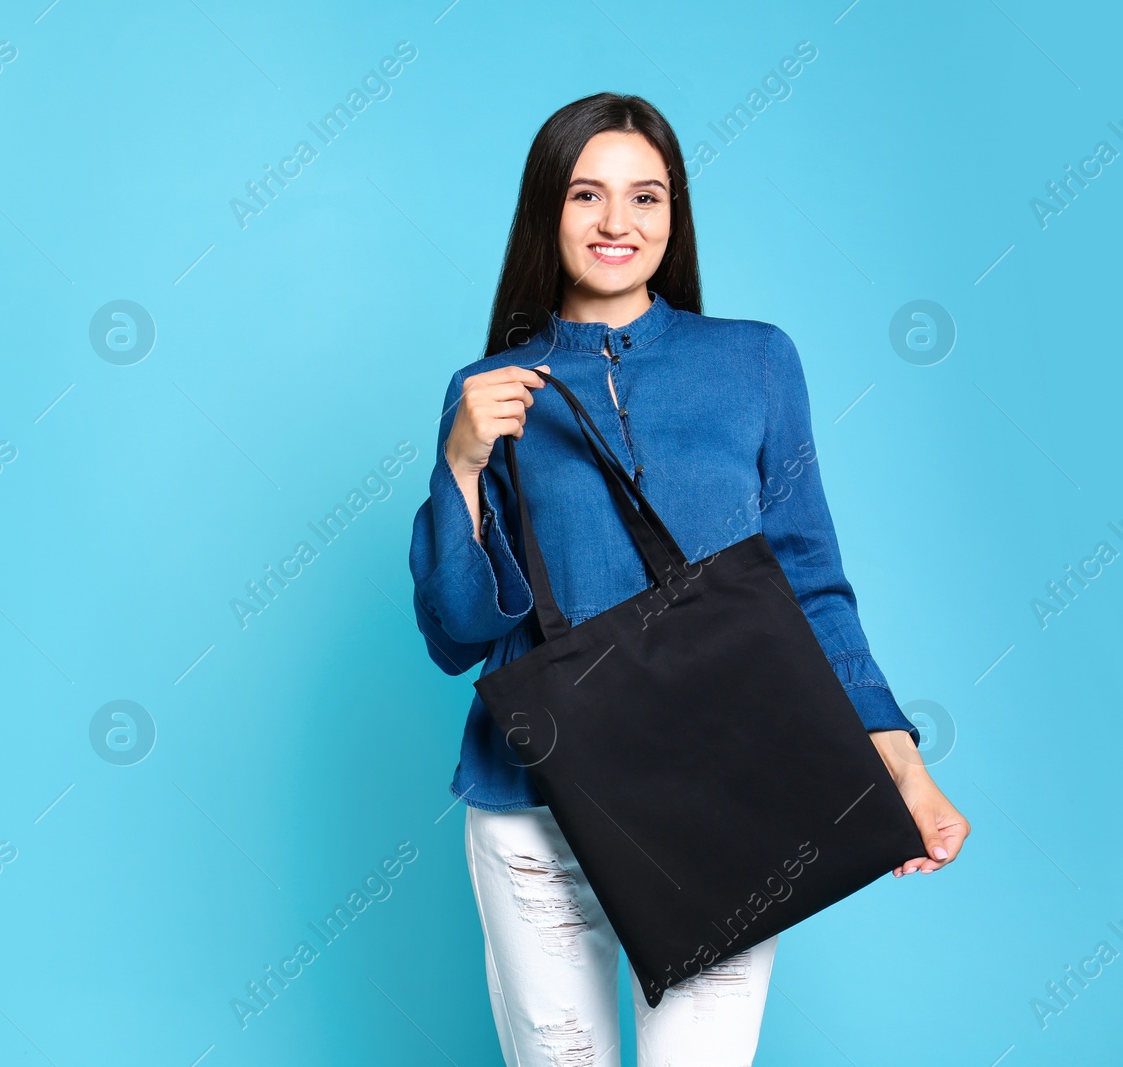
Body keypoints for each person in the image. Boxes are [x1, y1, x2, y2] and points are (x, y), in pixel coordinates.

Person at [406, 93, 970, 1066]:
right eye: (586, 194)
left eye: (645, 196)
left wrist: (903, 769)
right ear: (547, 210)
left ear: (674, 215)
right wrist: (458, 463)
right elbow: (456, 631)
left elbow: (809, 578)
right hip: (538, 807)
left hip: (723, 796)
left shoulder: (752, 361)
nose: (617, 223)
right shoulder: (488, 386)